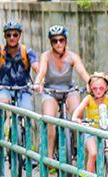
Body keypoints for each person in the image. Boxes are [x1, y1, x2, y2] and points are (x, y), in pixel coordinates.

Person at [34, 25, 91, 161]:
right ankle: (49, 157)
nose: (58, 43)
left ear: (65, 41)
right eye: (54, 41)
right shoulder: (46, 56)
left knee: (78, 112)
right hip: (50, 91)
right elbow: (41, 71)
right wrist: (37, 83)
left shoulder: (72, 56)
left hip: (69, 90)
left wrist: (90, 83)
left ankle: (77, 148)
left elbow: (82, 71)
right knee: (49, 119)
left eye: (61, 40)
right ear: (51, 43)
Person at [0, 21, 37, 111]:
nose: (12, 38)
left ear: (19, 36)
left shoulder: (27, 52)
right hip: (3, 88)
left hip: (23, 89)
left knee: (28, 112)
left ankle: (26, 125)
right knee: (2, 104)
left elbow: (37, 67)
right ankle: (1, 124)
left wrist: (39, 81)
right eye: (9, 35)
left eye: (15, 35)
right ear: (5, 36)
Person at [71, 72, 108, 175]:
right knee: (93, 153)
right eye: (95, 89)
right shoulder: (88, 99)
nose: (98, 91)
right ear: (91, 89)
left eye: (101, 88)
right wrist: (77, 120)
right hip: (90, 131)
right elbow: (76, 114)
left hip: (104, 129)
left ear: (106, 88)